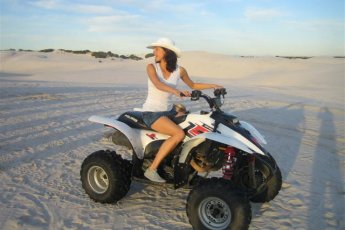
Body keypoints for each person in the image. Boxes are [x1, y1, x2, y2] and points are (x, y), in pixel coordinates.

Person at [141, 38, 223, 182]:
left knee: (192, 122)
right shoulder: (151, 67)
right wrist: (176, 91)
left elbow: (193, 85)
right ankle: (151, 169)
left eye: (157, 49)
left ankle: (186, 162)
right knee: (178, 133)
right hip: (151, 113)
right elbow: (158, 84)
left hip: (168, 111)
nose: (154, 52)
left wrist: (214, 85)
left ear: (167, 52)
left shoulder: (179, 70)